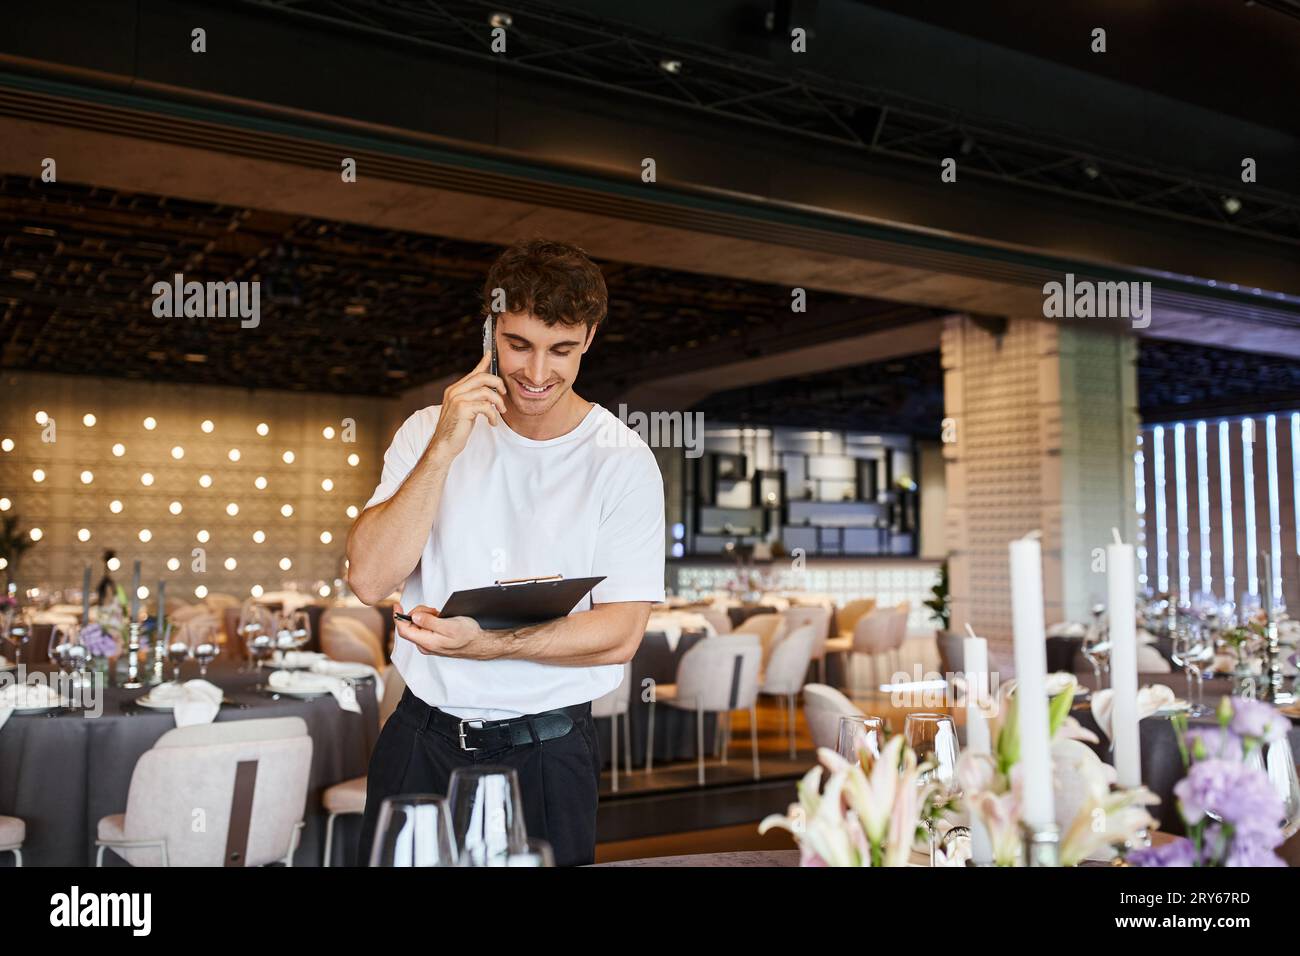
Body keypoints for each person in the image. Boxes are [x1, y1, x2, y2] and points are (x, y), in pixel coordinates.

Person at [347, 237, 665, 866]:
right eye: (518, 344)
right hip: (421, 738)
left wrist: (488, 644)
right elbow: (369, 578)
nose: (537, 373)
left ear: (590, 339)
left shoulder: (623, 460)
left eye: (561, 350)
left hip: (549, 751)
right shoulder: (423, 432)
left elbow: (621, 634)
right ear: (491, 328)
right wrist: (443, 447)